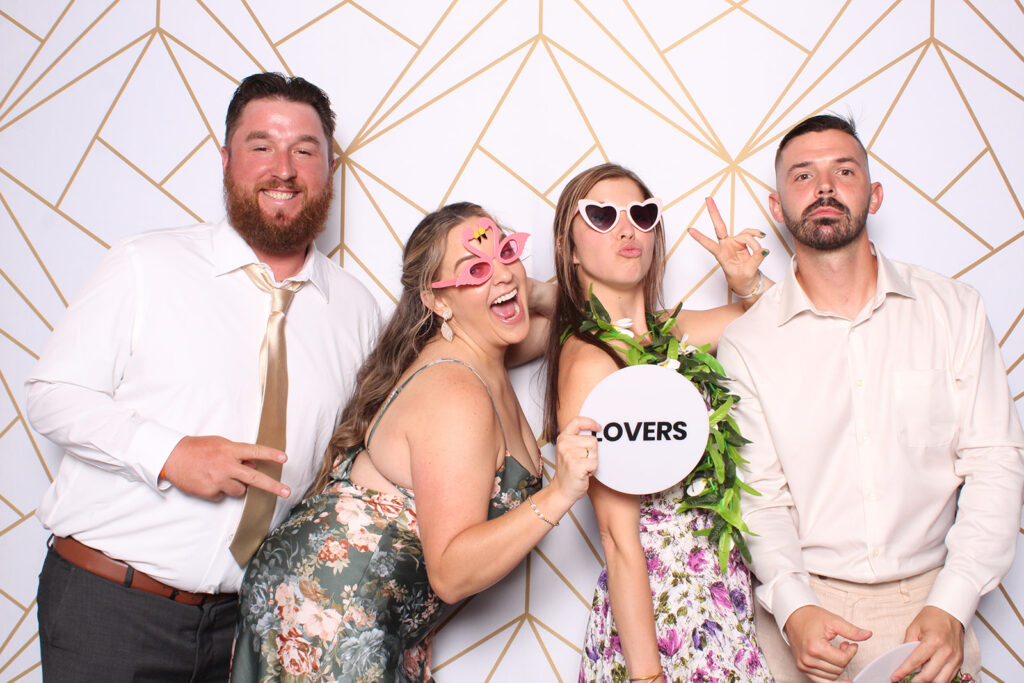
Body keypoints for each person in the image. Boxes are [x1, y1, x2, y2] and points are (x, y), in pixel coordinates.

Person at [26, 72, 380, 680]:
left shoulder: (357, 311)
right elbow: (51, 396)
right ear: (225, 161)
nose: (283, 169)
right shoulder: (146, 265)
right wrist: (171, 454)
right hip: (111, 607)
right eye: (261, 146)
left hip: (245, 629)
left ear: (329, 168)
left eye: (304, 150)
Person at [231, 202, 598, 682]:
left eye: (507, 251)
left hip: (372, 618)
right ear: (438, 302)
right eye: (475, 269)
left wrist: (527, 287)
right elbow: (450, 573)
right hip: (329, 616)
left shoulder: (485, 350)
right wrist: (560, 493)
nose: (501, 272)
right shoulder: (455, 391)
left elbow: (593, 320)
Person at [716, 114, 1024, 683]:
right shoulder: (747, 343)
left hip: (933, 609)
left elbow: (995, 462)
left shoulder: (955, 310)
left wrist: (953, 602)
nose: (824, 187)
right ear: (777, 207)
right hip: (808, 613)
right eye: (803, 176)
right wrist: (794, 608)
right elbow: (761, 498)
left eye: (844, 171)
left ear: (874, 195)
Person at [543, 162, 775, 682]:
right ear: (569, 247)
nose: (627, 229)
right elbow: (617, 537)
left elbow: (783, 325)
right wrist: (648, 675)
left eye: (641, 214)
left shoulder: (675, 331)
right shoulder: (591, 362)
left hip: (722, 597)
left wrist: (748, 280)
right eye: (602, 216)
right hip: (660, 614)